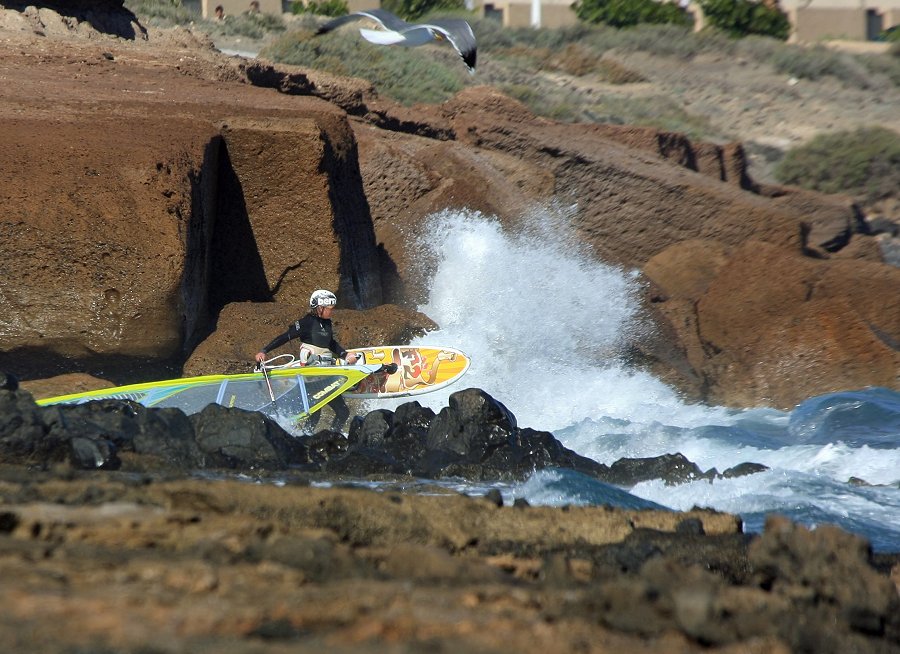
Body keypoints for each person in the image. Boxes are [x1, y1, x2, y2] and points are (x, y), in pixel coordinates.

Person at [255, 289, 360, 431]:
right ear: (319, 308)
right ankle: (306, 438)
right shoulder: (306, 322)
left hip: (325, 376)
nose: (331, 311)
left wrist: (345, 355)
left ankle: (331, 439)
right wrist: (264, 351)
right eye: (328, 309)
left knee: (342, 412)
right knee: (316, 413)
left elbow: (330, 343)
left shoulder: (327, 323)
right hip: (311, 378)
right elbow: (285, 337)